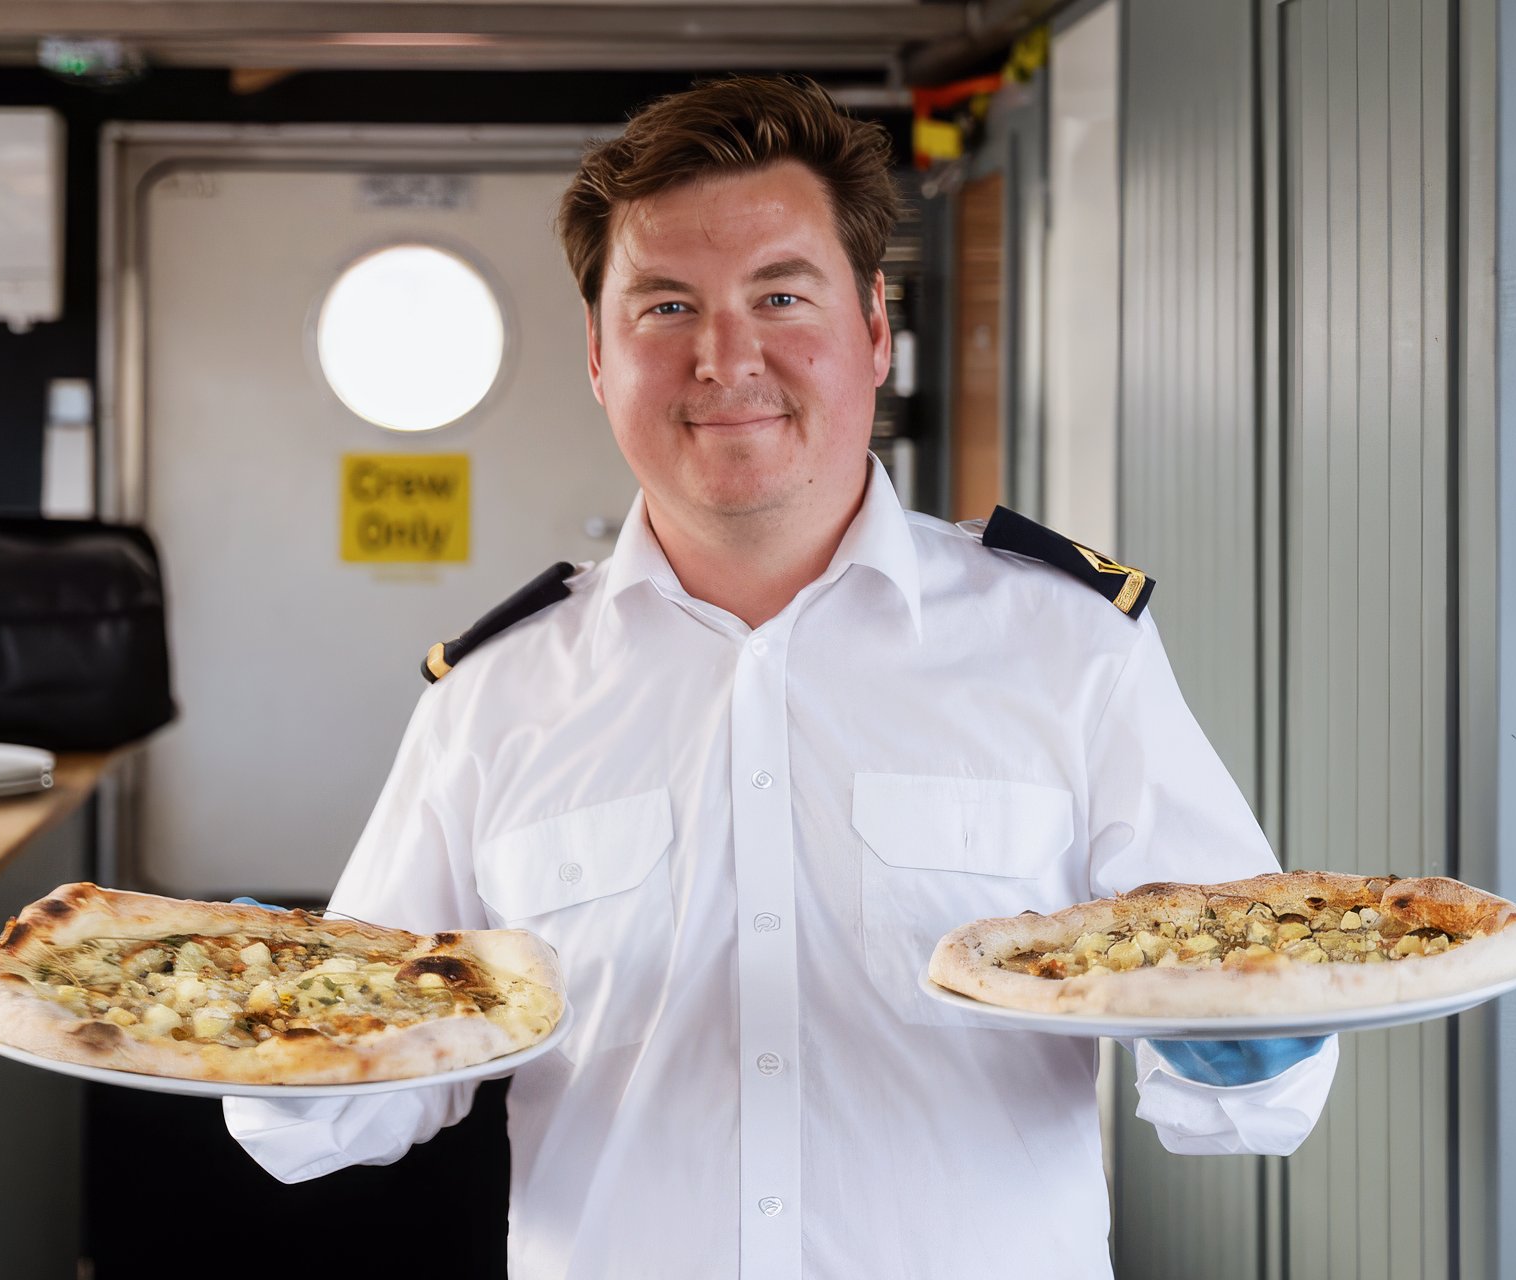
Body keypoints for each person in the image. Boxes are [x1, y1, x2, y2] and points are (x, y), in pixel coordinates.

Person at [225, 75, 1338, 1279]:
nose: (723, 356)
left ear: (873, 328)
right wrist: (250, 1017)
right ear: (598, 357)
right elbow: (340, 1110)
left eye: (779, 294)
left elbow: (1250, 1083)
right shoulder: (494, 693)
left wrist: (1250, 1032)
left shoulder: (1067, 646)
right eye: (662, 306)